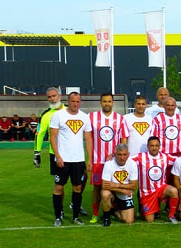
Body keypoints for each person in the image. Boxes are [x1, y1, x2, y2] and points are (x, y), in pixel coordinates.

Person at [49, 92, 94, 227]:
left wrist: (90, 159)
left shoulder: (84, 117)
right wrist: (57, 156)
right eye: (73, 101)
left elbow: (88, 139)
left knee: (77, 188)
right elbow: (52, 136)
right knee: (58, 187)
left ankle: (75, 217)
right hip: (63, 159)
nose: (75, 104)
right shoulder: (58, 115)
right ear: (68, 101)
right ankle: (58, 216)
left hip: (78, 160)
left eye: (78, 101)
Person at [88, 92, 130, 224]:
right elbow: (88, 138)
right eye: (104, 101)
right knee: (97, 187)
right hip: (97, 159)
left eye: (109, 101)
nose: (107, 104)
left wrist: (119, 155)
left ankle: (111, 209)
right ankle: (95, 213)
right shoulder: (92, 117)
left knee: (112, 186)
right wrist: (89, 159)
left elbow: (123, 140)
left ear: (113, 103)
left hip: (114, 161)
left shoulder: (120, 118)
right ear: (101, 102)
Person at [132, 136, 179, 223]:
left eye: (156, 145)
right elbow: (126, 160)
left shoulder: (165, 157)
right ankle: (148, 210)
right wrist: (113, 156)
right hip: (147, 193)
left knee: (174, 191)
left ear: (159, 146)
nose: (154, 148)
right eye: (152, 146)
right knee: (149, 220)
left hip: (161, 189)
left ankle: (171, 215)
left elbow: (179, 160)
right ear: (148, 146)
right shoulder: (140, 157)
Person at [100, 143, 138, 226]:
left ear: (128, 155)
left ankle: (114, 211)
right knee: (105, 194)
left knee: (129, 221)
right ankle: (106, 218)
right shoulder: (109, 164)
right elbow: (104, 185)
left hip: (123, 194)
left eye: (124, 154)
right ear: (115, 154)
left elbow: (134, 186)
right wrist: (122, 190)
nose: (122, 157)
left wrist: (116, 185)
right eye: (119, 154)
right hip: (113, 193)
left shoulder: (132, 164)